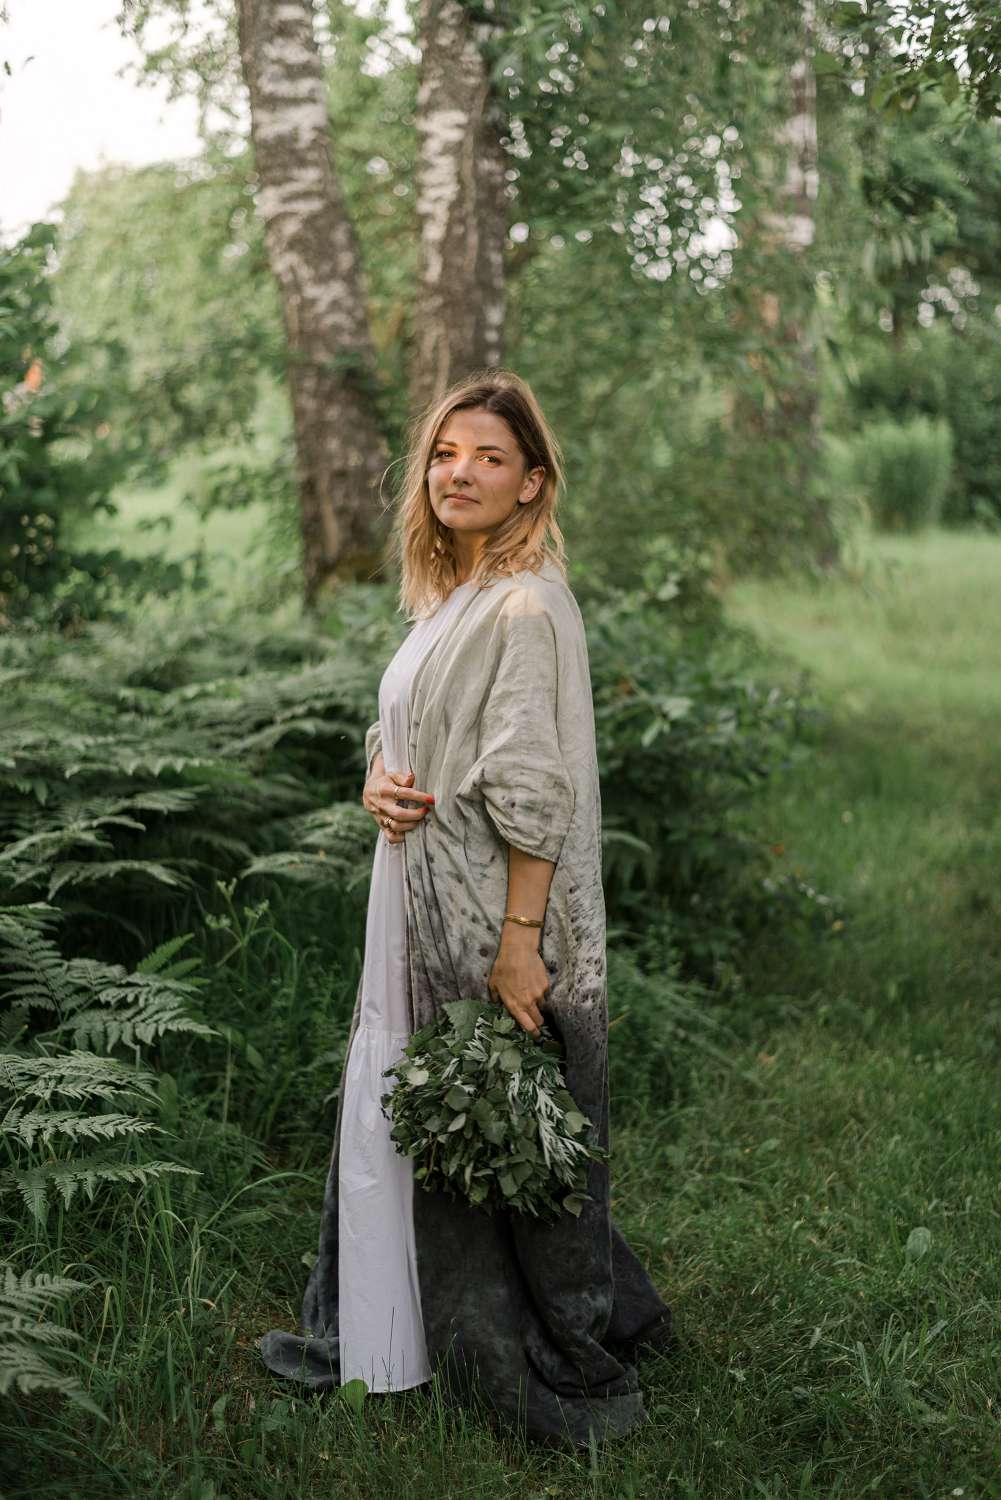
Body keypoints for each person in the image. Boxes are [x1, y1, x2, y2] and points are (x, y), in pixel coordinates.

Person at [258, 368, 677, 1448]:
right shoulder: (453, 598)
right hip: (414, 904)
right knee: (423, 1114)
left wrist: (517, 947)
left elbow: (533, 786)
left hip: (485, 919)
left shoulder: (525, 605)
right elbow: (411, 729)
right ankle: (396, 1332)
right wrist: (376, 780)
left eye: (490, 457)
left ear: (533, 483)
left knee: (497, 1134)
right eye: (447, 453)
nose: (461, 472)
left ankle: (513, 1347)